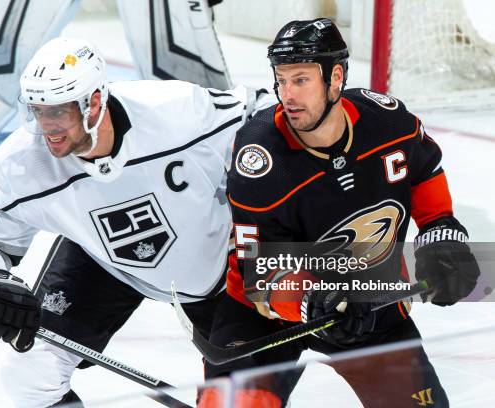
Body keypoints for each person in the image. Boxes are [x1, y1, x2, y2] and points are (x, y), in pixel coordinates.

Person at [0, 36, 274, 407]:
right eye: (39, 111)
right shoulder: (24, 163)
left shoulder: (176, 112)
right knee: (29, 373)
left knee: (248, 400)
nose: (48, 127)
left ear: (95, 102)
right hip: (102, 260)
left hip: (213, 257)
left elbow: (264, 111)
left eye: (60, 112)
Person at [199, 18, 480, 408]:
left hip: (370, 301)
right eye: (281, 80)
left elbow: (424, 170)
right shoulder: (259, 158)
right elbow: (256, 265)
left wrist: (441, 232)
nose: (287, 95)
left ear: (335, 77)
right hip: (266, 317)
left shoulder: (389, 123)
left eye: (300, 80)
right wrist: (308, 299)